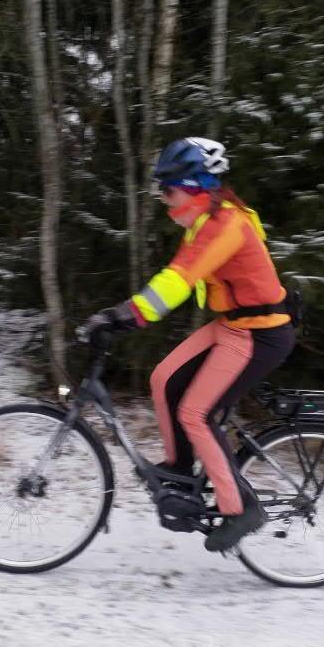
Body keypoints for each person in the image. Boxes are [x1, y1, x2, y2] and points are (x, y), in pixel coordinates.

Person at [81, 137, 295, 552]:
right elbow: (180, 272)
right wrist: (128, 314)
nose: (163, 198)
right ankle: (181, 468)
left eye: (168, 189)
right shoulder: (207, 222)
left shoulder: (226, 225)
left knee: (195, 412)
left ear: (195, 187)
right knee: (163, 378)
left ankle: (239, 509)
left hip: (261, 333)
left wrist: (126, 314)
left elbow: (179, 278)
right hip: (234, 325)